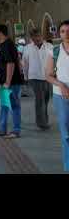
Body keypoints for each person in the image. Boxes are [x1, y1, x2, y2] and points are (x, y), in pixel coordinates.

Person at [0, 24, 24, 139]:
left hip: (12, 83)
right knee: (4, 105)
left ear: (1, 33)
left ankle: (16, 130)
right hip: (6, 82)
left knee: (14, 106)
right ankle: (2, 128)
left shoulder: (7, 45)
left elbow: (11, 63)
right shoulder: (4, 45)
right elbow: (16, 61)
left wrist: (8, 81)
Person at [45, 20, 69, 172]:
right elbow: (48, 75)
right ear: (59, 34)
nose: (66, 34)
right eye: (63, 31)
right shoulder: (54, 51)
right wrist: (61, 85)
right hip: (62, 96)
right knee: (66, 133)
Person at [22, 28, 53, 130]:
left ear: (42, 36)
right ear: (31, 38)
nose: (37, 38)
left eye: (38, 36)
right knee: (40, 100)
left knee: (46, 99)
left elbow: (54, 61)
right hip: (34, 77)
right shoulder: (27, 48)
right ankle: (41, 123)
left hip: (48, 77)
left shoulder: (49, 46)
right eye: (34, 37)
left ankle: (44, 119)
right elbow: (25, 64)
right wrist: (25, 77)